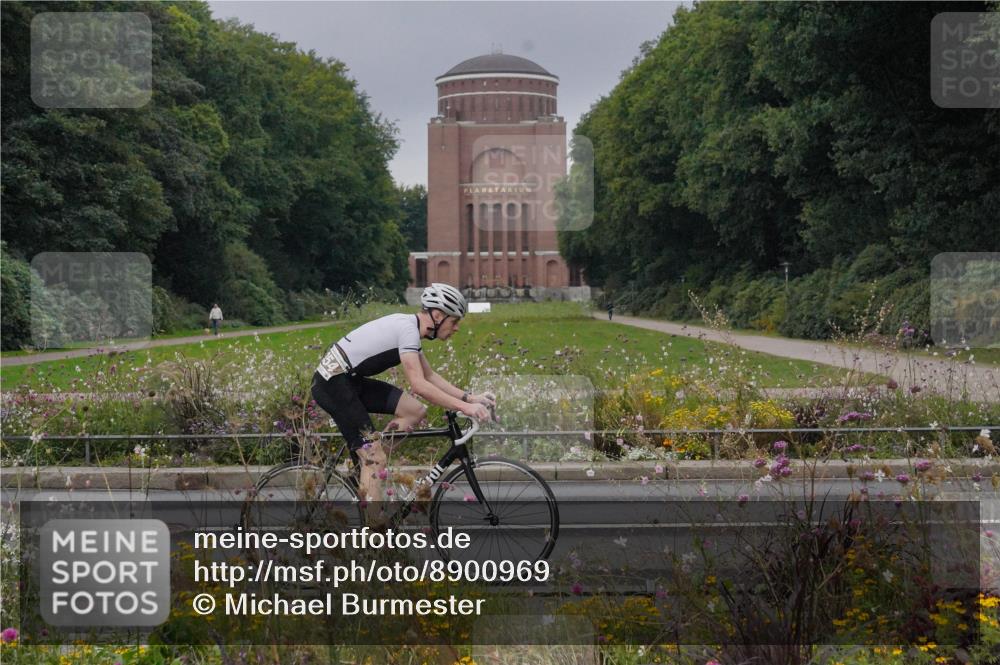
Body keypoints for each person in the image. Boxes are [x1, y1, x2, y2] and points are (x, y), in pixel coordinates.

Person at [310, 283, 495, 522]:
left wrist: (469, 398)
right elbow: (419, 385)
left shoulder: (410, 329)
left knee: (415, 411)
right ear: (437, 316)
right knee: (374, 456)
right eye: (454, 321)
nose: (456, 328)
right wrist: (466, 408)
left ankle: (368, 470)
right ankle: (373, 535)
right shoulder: (408, 330)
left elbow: (430, 376)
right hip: (332, 384)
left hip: (349, 380)